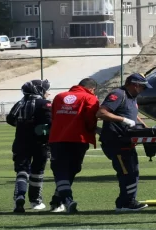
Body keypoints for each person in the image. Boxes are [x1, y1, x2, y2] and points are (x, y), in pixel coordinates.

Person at [97, 73, 152, 212]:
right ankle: (125, 203)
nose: (143, 90)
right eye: (143, 87)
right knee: (127, 172)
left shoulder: (131, 98)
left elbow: (132, 113)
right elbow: (101, 113)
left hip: (125, 140)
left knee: (132, 171)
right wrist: (123, 120)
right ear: (135, 85)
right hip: (116, 141)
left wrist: (144, 127)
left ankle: (127, 201)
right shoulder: (118, 94)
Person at [47, 78, 100, 214]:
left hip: (57, 138)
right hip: (78, 139)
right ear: (92, 89)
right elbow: (90, 120)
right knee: (71, 169)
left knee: (61, 170)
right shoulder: (90, 98)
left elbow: (53, 117)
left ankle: (57, 200)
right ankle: (67, 199)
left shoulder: (59, 97)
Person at [5, 79, 52, 213]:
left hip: (20, 142)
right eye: (46, 89)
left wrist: (23, 125)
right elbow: (51, 122)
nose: (47, 92)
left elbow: (10, 119)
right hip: (40, 144)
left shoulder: (20, 103)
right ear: (39, 90)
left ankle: (19, 197)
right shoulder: (45, 104)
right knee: (37, 172)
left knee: (22, 172)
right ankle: (35, 201)